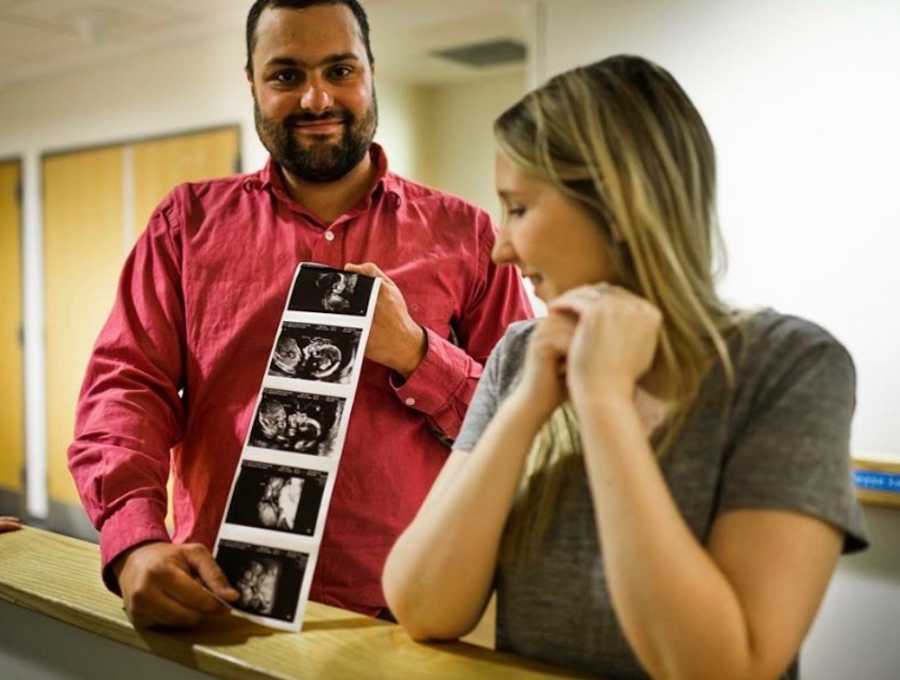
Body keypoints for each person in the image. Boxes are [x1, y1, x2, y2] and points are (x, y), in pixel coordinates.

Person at [382, 55, 868, 680]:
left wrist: (605, 402)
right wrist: (529, 405)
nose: (501, 247)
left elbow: (726, 668)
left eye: (519, 209)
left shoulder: (792, 367)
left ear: (617, 204)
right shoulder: (522, 357)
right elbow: (422, 607)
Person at [67, 0, 531, 629]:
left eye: (340, 71)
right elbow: (126, 390)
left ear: (371, 73)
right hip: (220, 603)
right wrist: (135, 540)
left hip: (410, 615)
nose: (317, 100)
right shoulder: (185, 227)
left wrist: (417, 354)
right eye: (286, 76)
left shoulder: (469, 236)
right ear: (252, 84)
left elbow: (521, 425)